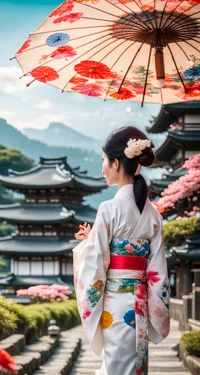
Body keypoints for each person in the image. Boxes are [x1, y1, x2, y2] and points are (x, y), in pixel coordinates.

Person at [73, 126, 170, 375]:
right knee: (135, 364)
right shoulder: (153, 214)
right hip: (140, 304)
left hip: (114, 304)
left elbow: (95, 264)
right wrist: (92, 240)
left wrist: (88, 245)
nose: (102, 168)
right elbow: (158, 269)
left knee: (116, 364)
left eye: (103, 161)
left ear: (116, 163)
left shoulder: (108, 209)